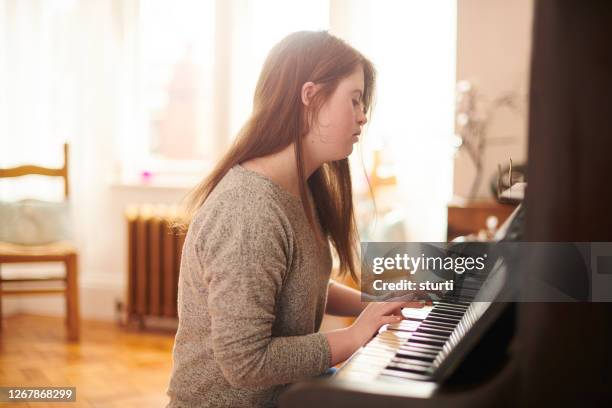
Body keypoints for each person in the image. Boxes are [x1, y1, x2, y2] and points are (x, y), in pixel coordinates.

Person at [166, 30, 421, 408]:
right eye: (354, 100)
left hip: (291, 392)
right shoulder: (249, 211)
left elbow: (304, 282)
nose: (363, 116)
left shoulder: (299, 188)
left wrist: (373, 301)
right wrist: (354, 336)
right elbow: (245, 364)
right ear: (310, 96)